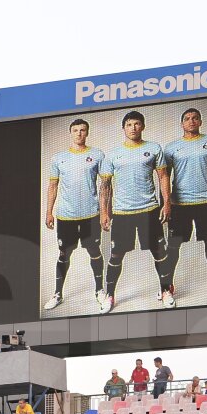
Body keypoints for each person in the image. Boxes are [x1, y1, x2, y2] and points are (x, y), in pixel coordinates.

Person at [98, 111, 170, 312]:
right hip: (122, 213)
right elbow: (105, 185)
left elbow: (163, 177)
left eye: (137, 124)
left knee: (159, 252)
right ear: (123, 128)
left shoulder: (154, 148)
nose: (133, 128)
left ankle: (165, 290)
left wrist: (167, 203)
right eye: (129, 124)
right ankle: (110, 296)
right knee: (116, 256)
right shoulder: (113, 154)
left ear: (143, 126)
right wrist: (104, 212)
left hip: (149, 209)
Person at [161, 107, 207, 298]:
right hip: (179, 205)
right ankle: (167, 286)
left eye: (195, 118)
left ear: (200, 122)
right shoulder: (171, 147)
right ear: (182, 123)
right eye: (187, 119)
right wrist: (165, 203)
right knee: (173, 245)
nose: (191, 121)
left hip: (205, 202)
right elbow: (163, 176)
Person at [44, 117, 107, 312]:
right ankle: (58, 294)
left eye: (83, 130)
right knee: (64, 254)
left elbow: (105, 187)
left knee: (95, 252)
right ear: (70, 133)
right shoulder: (58, 158)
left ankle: (99, 290)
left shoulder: (98, 155)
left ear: (87, 133)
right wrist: (49, 212)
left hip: (91, 215)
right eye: (76, 130)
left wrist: (105, 213)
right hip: (66, 216)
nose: (79, 133)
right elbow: (52, 186)